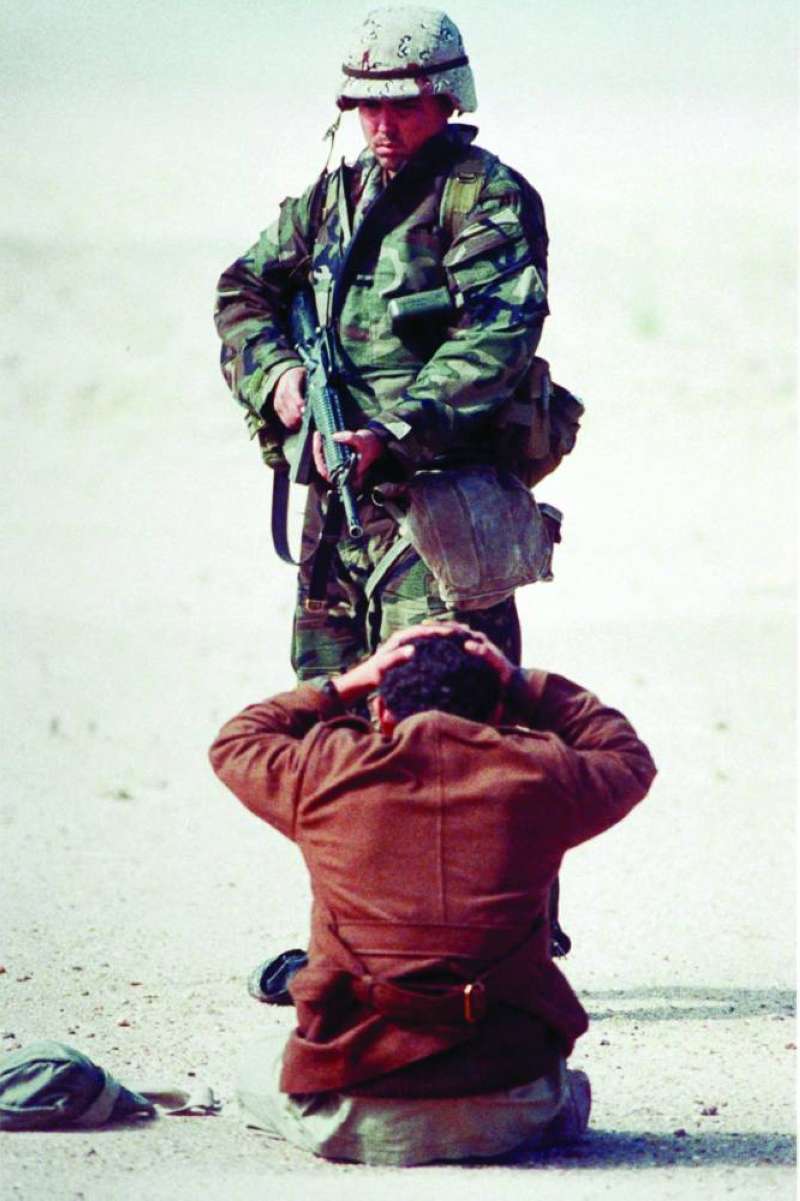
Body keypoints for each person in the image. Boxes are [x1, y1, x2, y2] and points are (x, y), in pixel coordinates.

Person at [209, 624, 656, 1165]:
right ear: (497, 713)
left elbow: (237, 741)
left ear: (382, 712)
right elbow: (626, 756)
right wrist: (525, 684)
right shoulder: (541, 776)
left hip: (351, 1109)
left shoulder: (325, 771)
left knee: (258, 1064)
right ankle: (549, 1109)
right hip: (508, 1107)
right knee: (552, 1083)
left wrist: (347, 683)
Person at [214, 6, 556, 683]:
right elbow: (242, 291)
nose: (382, 126)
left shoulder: (487, 200)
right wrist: (279, 378)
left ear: (447, 100)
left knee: (440, 711)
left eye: (403, 107)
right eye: (369, 107)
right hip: (337, 507)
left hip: (440, 507)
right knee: (328, 709)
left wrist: (390, 434)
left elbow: (495, 341)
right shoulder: (331, 201)